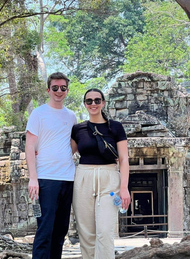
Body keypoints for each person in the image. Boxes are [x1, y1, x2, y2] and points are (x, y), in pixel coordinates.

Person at [70, 88, 131, 259]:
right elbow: (66, 154)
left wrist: (124, 188)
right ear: (85, 104)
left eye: (97, 100)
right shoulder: (78, 129)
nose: (93, 104)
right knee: (87, 234)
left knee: (104, 231)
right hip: (83, 179)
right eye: (89, 101)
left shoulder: (116, 127)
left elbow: (124, 159)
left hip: (110, 181)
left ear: (103, 103)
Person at [25, 72, 78, 259]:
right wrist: (33, 178)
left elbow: (72, 144)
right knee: (45, 228)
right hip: (46, 178)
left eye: (63, 88)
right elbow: (29, 146)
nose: (59, 91)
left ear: (67, 90)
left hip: (68, 178)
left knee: (61, 229)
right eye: (55, 88)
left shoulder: (71, 116)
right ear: (48, 90)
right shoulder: (38, 113)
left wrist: (61, 156)